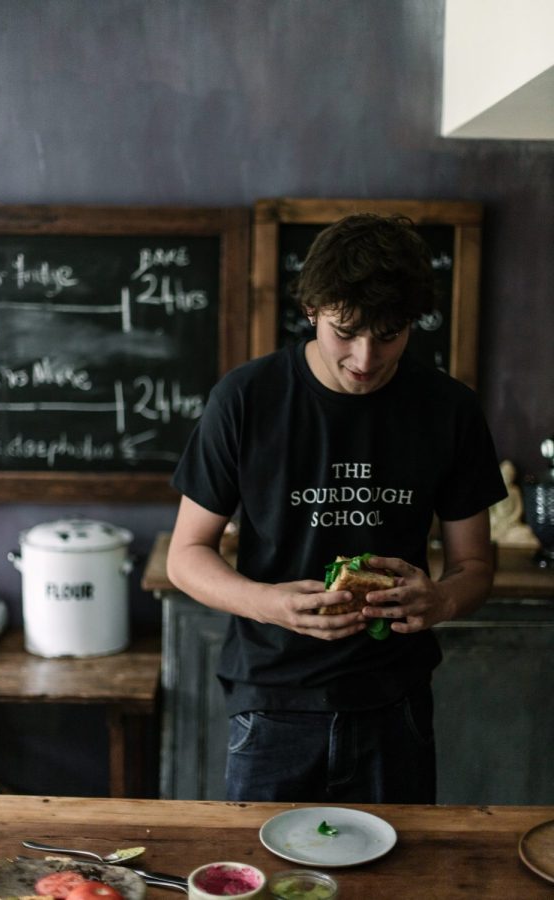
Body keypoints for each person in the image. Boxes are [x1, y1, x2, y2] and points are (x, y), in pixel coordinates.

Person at [166, 213, 506, 804]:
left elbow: (474, 564)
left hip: (393, 703)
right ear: (313, 309)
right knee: (263, 887)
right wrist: (270, 604)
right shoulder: (247, 398)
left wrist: (443, 598)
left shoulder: (449, 410)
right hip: (271, 703)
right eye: (346, 330)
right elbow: (185, 555)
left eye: (390, 333)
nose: (367, 357)